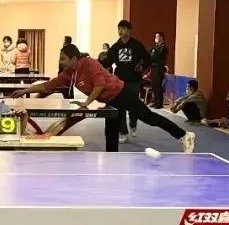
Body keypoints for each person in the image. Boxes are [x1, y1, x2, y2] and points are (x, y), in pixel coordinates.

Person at [14, 44, 194, 153]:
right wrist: (26, 90)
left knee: (149, 117)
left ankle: (184, 135)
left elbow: (99, 85)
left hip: (122, 93)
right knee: (111, 130)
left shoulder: (90, 63)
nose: (61, 62)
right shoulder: (69, 73)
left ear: (74, 58)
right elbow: (49, 85)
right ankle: (111, 159)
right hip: (111, 100)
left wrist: (86, 103)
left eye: (63, 59)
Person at [107, 20, 151, 142]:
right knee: (120, 107)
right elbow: (107, 62)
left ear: (129, 30)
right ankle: (123, 132)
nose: (120, 31)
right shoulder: (115, 47)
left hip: (133, 80)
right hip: (119, 81)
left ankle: (133, 123)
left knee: (133, 106)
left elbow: (148, 58)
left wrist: (142, 67)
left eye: (123, 28)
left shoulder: (137, 45)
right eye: (119, 28)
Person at [150, 31, 169, 108]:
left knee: (158, 85)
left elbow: (158, 56)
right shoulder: (155, 47)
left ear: (161, 38)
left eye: (157, 37)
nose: (155, 38)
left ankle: (159, 103)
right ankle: (155, 101)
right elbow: (150, 55)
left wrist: (154, 52)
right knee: (154, 85)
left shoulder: (163, 48)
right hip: (153, 67)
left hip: (159, 68)